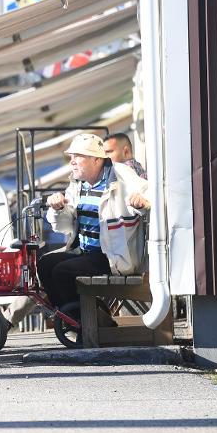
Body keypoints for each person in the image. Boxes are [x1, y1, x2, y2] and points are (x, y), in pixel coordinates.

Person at [40, 133, 150, 311]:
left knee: (62, 272)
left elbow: (149, 194)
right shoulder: (78, 184)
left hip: (112, 257)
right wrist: (58, 209)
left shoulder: (121, 174)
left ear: (97, 160)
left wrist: (141, 203)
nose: (72, 162)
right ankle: (75, 318)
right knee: (45, 264)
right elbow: (63, 227)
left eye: (78, 156)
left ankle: (88, 320)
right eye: (71, 157)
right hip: (86, 253)